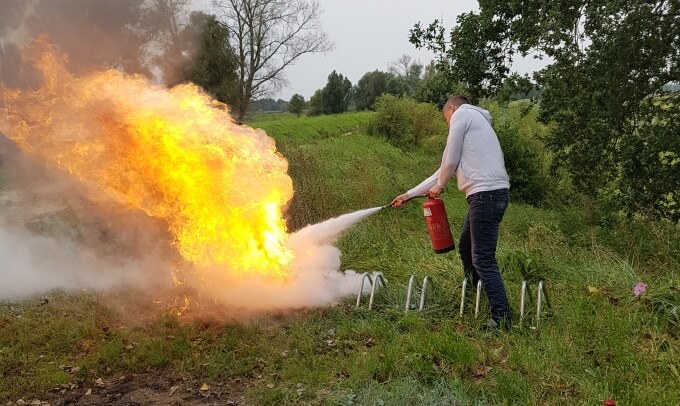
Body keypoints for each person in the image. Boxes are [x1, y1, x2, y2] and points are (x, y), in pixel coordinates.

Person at [391, 95, 511, 328]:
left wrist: (440, 187)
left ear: (451, 109)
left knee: (483, 257)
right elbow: (444, 167)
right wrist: (409, 194)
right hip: (491, 194)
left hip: (485, 195)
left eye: (446, 120)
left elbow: (449, 163)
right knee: (467, 248)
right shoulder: (477, 122)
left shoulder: (462, 114)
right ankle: (478, 295)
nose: (448, 125)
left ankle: (501, 317)